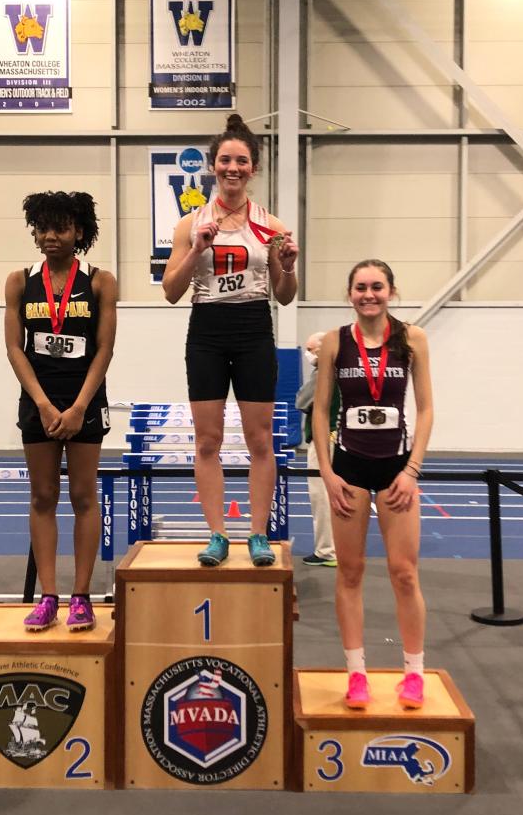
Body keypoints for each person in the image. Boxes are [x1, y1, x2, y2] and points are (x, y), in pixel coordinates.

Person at [162, 113, 299, 568]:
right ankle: (217, 534)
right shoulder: (190, 224)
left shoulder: (272, 225)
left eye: (242, 160)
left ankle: (258, 535)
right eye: (225, 160)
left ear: (254, 168)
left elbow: (283, 295)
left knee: (261, 441)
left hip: (254, 329)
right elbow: (170, 292)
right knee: (208, 440)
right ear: (213, 166)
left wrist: (289, 264)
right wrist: (198, 249)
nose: (233, 168)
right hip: (207, 332)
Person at [312, 260, 433, 710]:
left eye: (377, 287)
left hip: (397, 469)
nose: (369, 294)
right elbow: (321, 410)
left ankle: (414, 673)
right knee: (350, 572)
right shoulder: (334, 343)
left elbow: (426, 409)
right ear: (350, 294)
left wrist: (412, 469)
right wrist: (327, 472)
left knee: (404, 573)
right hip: (349, 469)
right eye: (361, 287)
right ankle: (357, 673)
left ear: (391, 291)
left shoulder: (412, 338)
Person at [5, 191, 116, 632]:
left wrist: (79, 407)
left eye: (61, 228)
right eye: (43, 227)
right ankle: (48, 596)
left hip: (84, 398)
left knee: (84, 497)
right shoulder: (19, 281)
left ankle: (82, 596)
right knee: (43, 496)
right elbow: (15, 348)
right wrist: (44, 404)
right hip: (39, 399)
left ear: (80, 232)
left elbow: (104, 349)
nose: (51, 236)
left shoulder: (100, 281)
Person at [295, 332, 338, 566]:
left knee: (321, 494)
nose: (308, 354)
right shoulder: (343, 369)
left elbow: (302, 401)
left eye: (311, 349)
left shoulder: (323, 373)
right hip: (342, 438)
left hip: (325, 439)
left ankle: (327, 551)